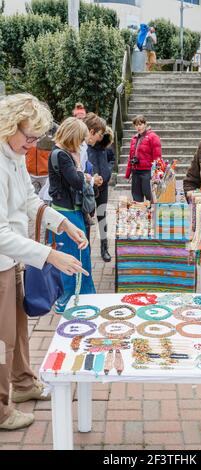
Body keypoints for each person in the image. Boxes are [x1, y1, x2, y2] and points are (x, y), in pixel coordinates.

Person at [0, 93, 89, 431]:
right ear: (10, 124)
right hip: (4, 257)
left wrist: (62, 223)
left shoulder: (13, 155)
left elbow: (28, 200)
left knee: (18, 328)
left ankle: (23, 384)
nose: (33, 143)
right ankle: (1, 409)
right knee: (1, 339)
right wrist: (50, 255)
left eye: (38, 137)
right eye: (29, 135)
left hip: (13, 258)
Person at [48, 117, 96, 313]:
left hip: (65, 212)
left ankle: (75, 297)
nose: (83, 143)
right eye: (81, 139)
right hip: (67, 214)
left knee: (75, 254)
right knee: (76, 255)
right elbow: (77, 181)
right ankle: (72, 298)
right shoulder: (63, 155)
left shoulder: (58, 153)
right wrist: (78, 165)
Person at [84, 113, 115, 262]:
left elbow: (112, 160)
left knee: (102, 218)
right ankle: (87, 249)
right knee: (88, 218)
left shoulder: (106, 145)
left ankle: (104, 248)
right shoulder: (86, 146)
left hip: (103, 187)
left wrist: (107, 172)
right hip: (90, 188)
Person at [125, 115, 162, 202]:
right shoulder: (134, 138)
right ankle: (139, 214)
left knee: (149, 195)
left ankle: (152, 213)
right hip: (136, 171)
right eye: (136, 125)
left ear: (145, 124)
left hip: (147, 171)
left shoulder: (153, 137)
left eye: (140, 124)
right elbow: (131, 157)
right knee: (136, 197)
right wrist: (128, 173)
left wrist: (156, 174)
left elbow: (157, 157)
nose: (138, 127)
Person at [25, 123, 58, 194]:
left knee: (45, 199)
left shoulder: (52, 129)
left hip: (46, 175)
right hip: (29, 173)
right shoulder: (28, 128)